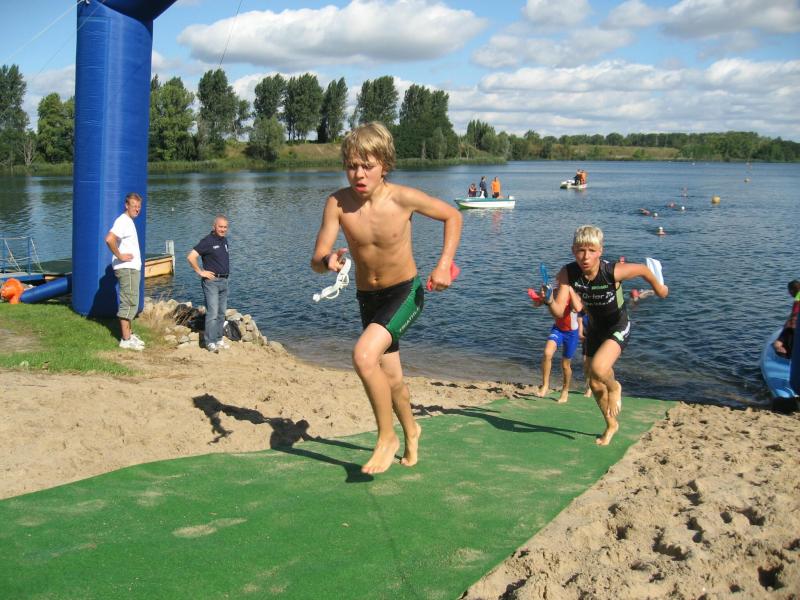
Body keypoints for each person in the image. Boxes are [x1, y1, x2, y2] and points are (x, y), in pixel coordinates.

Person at [311, 122, 462, 475]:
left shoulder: (403, 198)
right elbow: (316, 260)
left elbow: (452, 216)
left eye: (368, 166)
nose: (359, 174)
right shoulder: (337, 203)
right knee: (391, 378)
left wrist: (444, 264)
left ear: (385, 165)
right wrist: (328, 260)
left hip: (405, 292)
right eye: (352, 166)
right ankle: (412, 430)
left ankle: (386, 437)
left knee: (363, 356)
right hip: (368, 298)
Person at [544, 225, 668, 445]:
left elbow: (642, 269)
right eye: (581, 250)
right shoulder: (567, 273)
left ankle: (615, 386)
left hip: (618, 325)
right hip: (595, 329)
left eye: (591, 251)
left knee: (599, 369)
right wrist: (548, 300)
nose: (585, 256)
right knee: (594, 383)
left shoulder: (612, 271)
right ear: (573, 250)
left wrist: (659, 288)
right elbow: (559, 311)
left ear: (600, 251)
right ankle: (611, 425)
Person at [104, 192, 145, 350]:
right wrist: (120, 255)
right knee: (128, 302)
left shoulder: (128, 221)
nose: (137, 209)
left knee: (131, 301)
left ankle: (129, 334)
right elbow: (109, 239)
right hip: (127, 269)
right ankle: (126, 340)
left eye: (139, 206)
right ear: (126, 205)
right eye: (134, 206)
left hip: (131, 268)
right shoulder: (122, 221)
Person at [187, 215, 231, 353]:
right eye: (220, 227)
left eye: (225, 227)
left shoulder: (224, 240)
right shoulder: (207, 241)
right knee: (212, 313)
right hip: (211, 282)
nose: (223, 229)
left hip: (224, 281)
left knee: (221, 313)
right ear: (214, 226)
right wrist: (200, 272)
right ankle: (210, 342)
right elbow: (191, 256)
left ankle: (218, 339)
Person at [533, 285, 583, 403]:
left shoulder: (576, 295)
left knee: (565, 365)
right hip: (558, 330)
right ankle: (545, 385)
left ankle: (565, 390)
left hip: (571, 333)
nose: (559, 283)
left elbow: (577, 308)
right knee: (547, 353)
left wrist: (570, 291)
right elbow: (536, 304)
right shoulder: (555, 292)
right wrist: (542, 296)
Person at [773, 279, 800, 358]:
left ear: (792, 290)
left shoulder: (798, 299)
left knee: (776, 344)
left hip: (793, 330)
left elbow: (795, 313)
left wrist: (786, 325)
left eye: (789, 291)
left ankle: (782, 350)